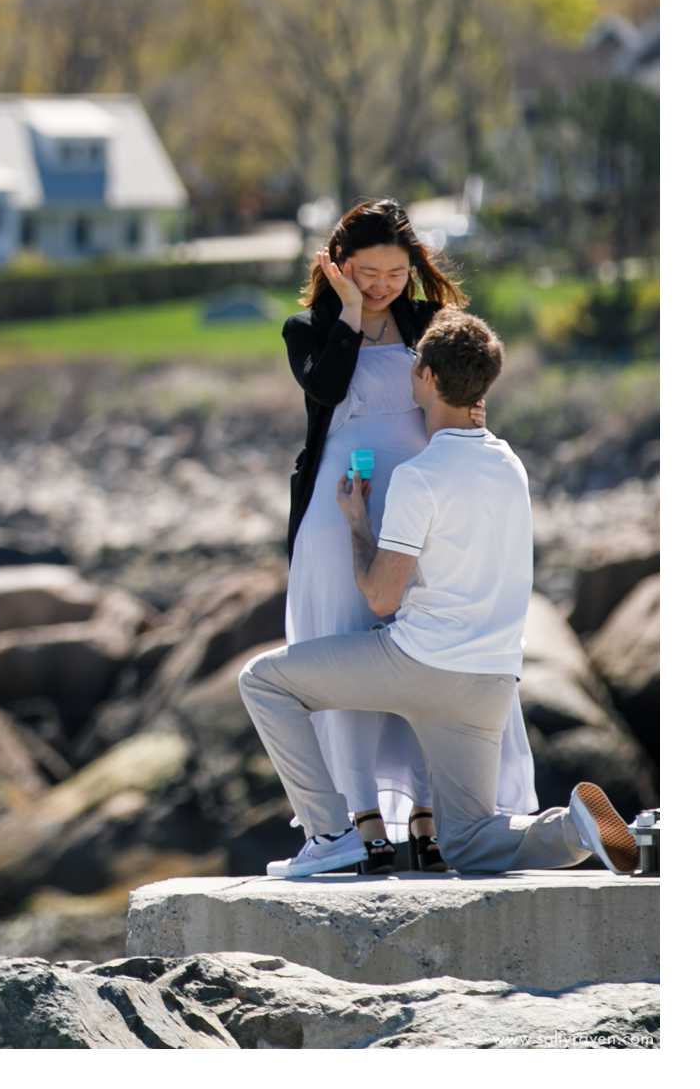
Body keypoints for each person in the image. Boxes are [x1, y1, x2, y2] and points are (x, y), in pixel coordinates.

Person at [240, 310, 639, 879]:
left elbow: (381, 598)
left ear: (423, 375)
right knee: (472, 841)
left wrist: (356, 523)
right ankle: (574, 828)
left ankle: (330, 834)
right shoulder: (510, 466)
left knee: (263, 683)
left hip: (418, 664)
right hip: (490, 683)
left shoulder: (420, 476)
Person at [280, 201, 535, 873]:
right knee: (341, 646)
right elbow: (328, 389)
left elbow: (470, 392)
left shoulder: (429, 323)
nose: (384, 285)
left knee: (423, 647)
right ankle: (361, 819)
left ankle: (425, 815)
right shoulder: (309, 329)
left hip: (428, 495)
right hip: (345, 507)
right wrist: (345, 312)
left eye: (397, 272)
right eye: (367, 273)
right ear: (338, 267)